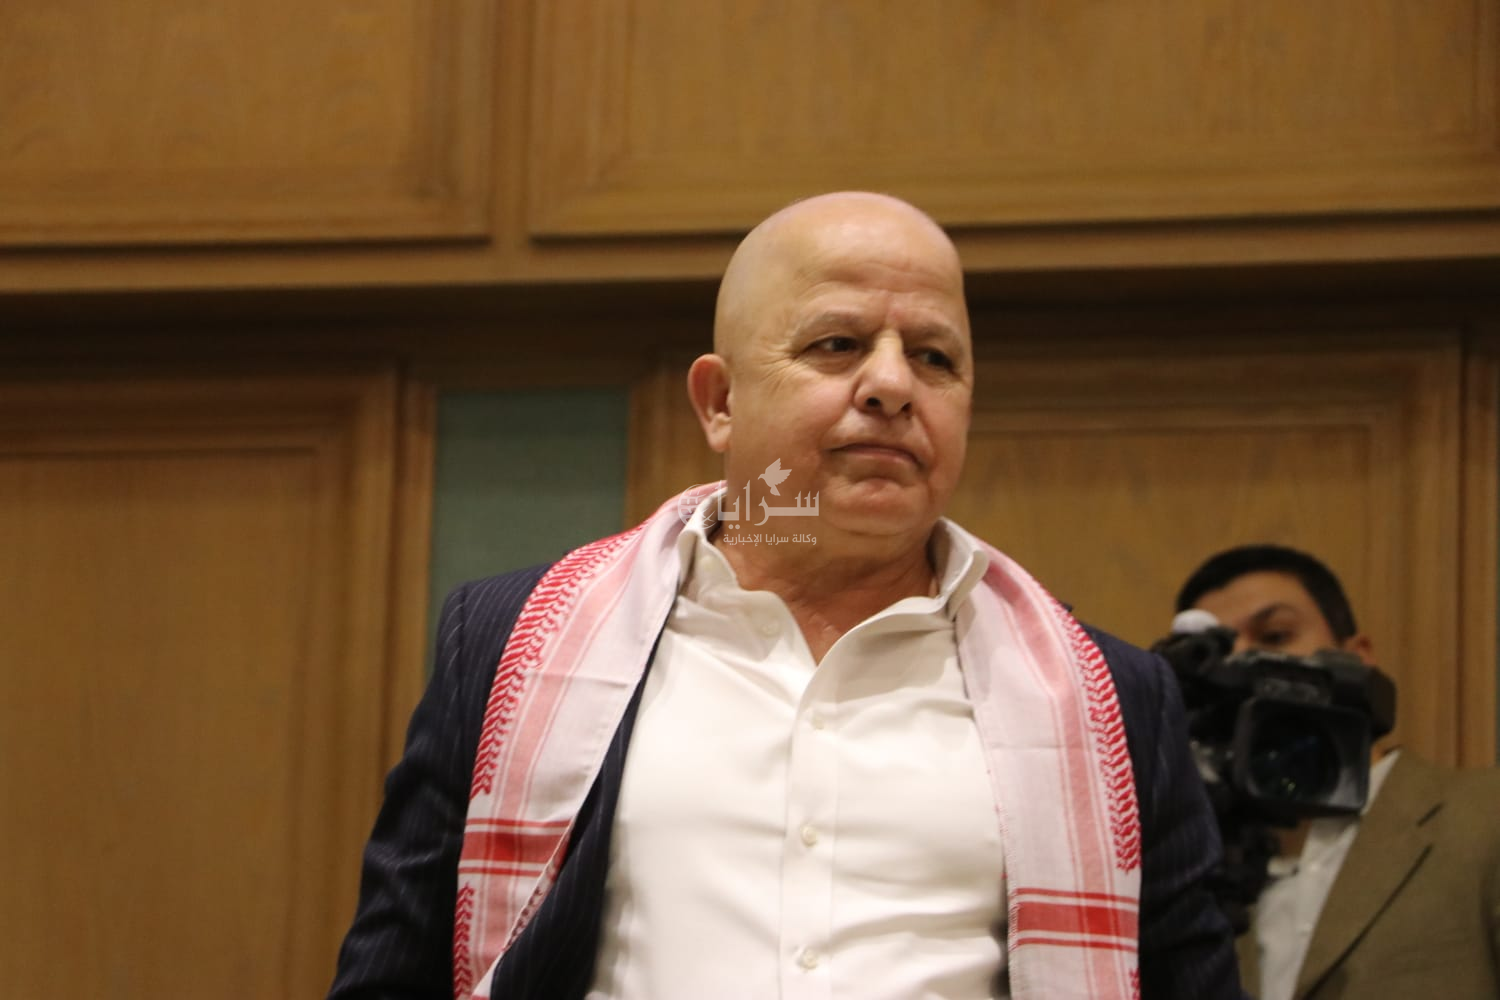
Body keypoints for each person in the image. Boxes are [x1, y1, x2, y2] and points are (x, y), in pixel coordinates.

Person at [329, 191, 1243, 999]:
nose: (892, 385)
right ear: (720, 403)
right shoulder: (509, 644)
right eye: (837, 345)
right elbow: (395, 975)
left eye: (934, 357)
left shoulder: (1115, 701)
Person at [1173, 544, 1500, 999]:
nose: (1244, 665)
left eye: (1275, 636)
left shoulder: (1484, 815)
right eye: (1220, 653)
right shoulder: (1200, 869)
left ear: (1358, 656)